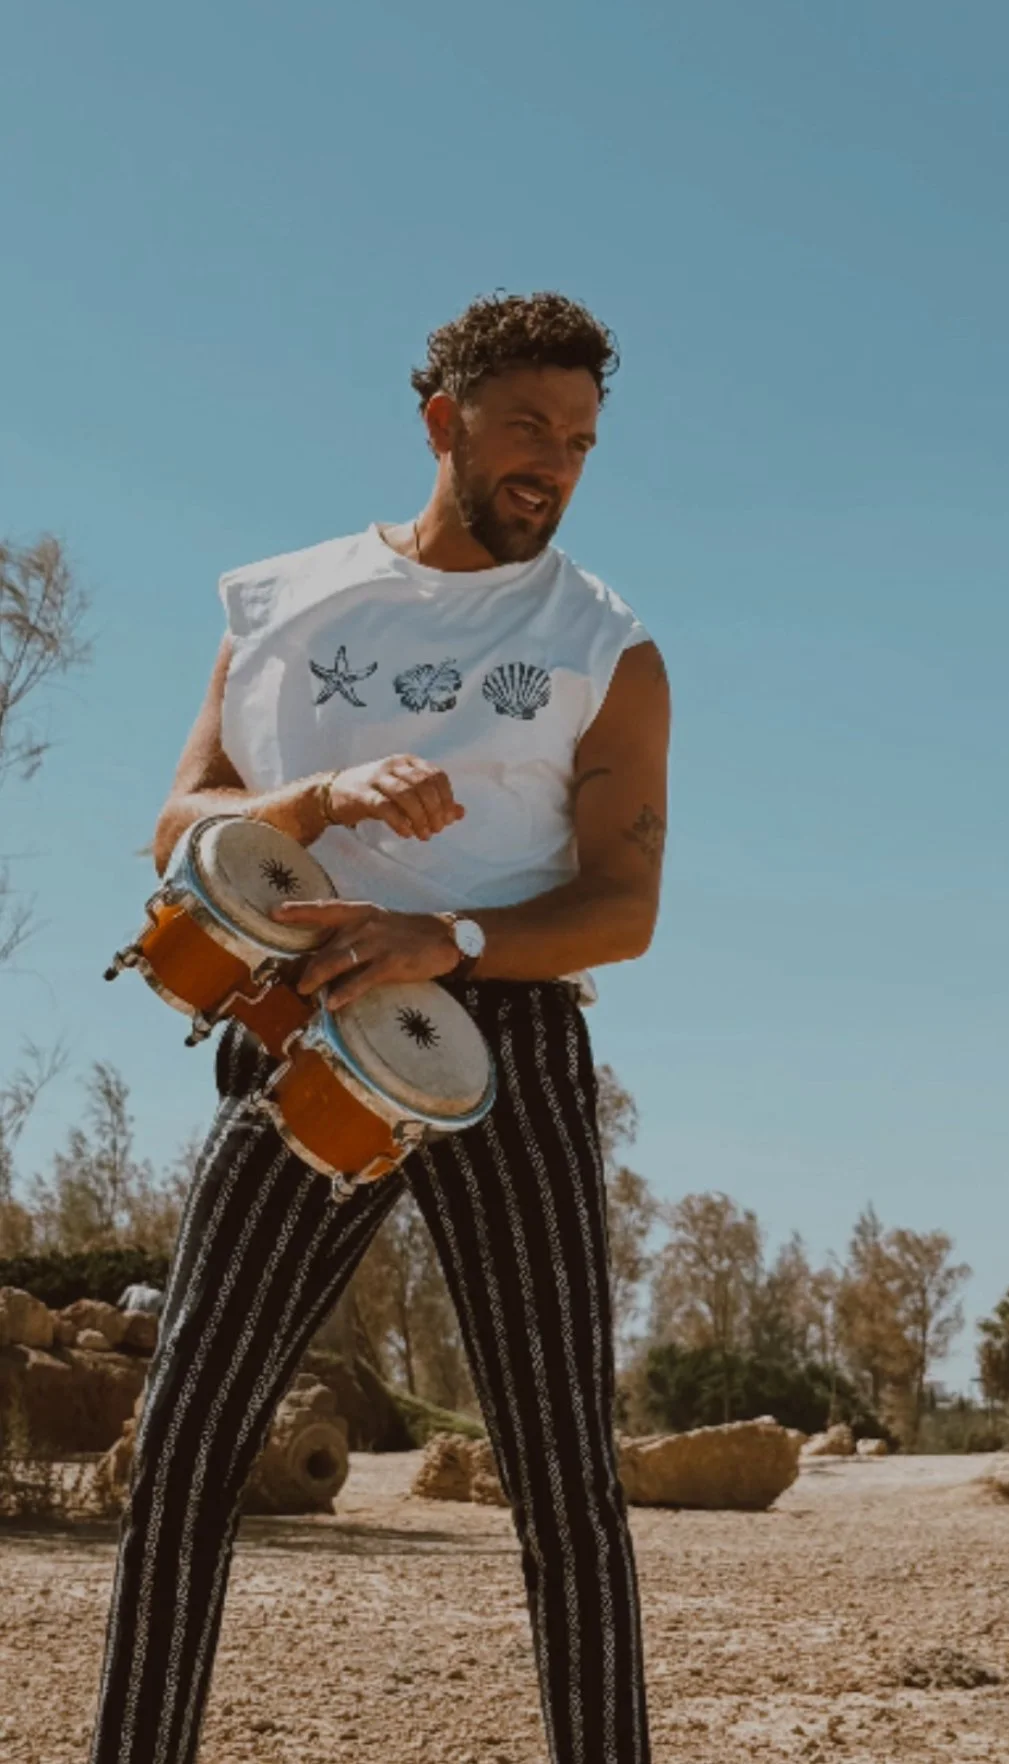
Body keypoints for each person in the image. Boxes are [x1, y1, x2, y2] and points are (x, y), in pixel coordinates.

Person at [88, 291, 670, 1764]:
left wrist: (452, 936)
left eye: (581, 441)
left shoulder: (607, 649)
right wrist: (315, 803)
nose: (554, 462)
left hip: (509, 1052)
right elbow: (177, 827)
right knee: (189, 1439)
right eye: (527, 427)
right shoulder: (281, 606)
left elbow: (621, 907)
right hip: (295, 1034)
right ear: (442, 424)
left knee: (559, 1474)